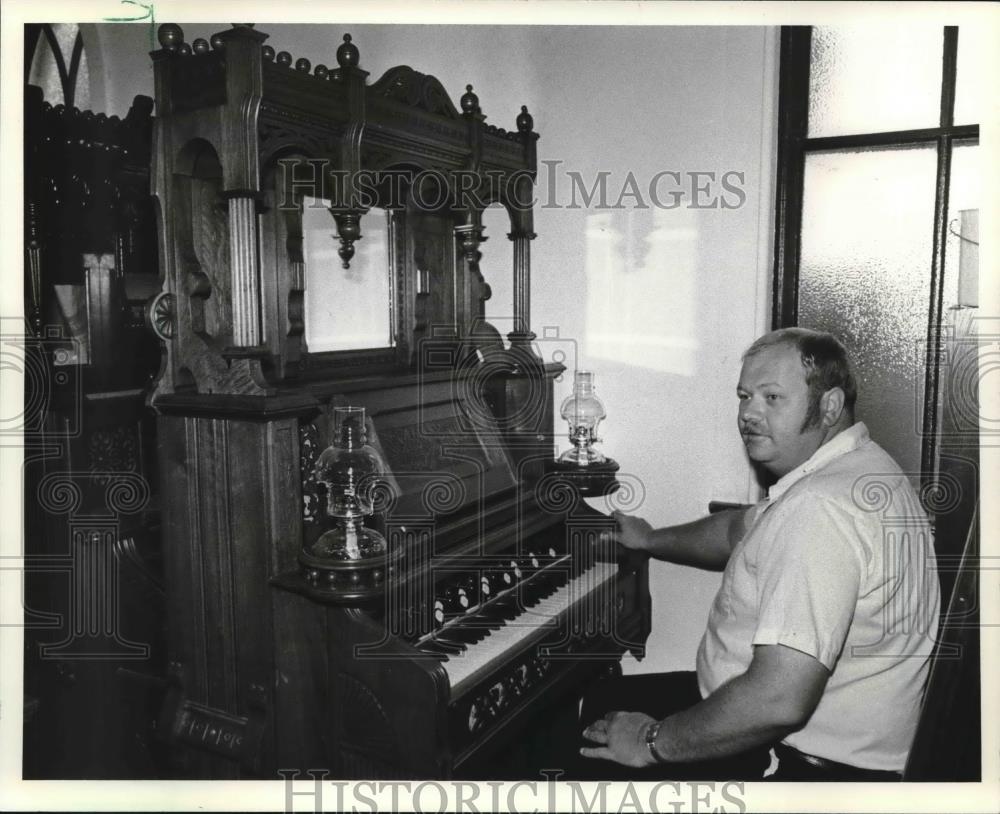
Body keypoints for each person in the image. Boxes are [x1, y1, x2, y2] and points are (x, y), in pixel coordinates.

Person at [575, 327, 940, 781]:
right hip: (829, 737)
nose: (748, 413)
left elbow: (779, 699)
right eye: (744, 396)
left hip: (806, 766)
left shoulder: (819, 510)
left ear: (829, 406)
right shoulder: (860, 468)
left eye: (772, 398)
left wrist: (651, 744)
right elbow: (737, 531)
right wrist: (651, 539)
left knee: (592, 742)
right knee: (603, 703)